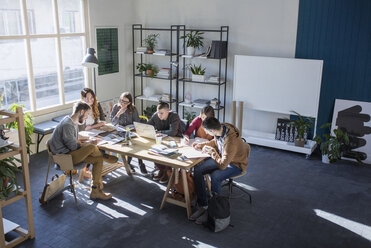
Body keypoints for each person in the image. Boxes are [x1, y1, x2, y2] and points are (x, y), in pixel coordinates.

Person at [49, 101, 117, 200]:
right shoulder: (67, 125)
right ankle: (104, 156)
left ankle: (95, 191)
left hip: (69, 154)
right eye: (87, 114)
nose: (87, 117)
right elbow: (73, 146)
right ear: (81, 112)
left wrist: (88, 140)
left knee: (98, 159)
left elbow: (74, 139)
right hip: (63, 159)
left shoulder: (72, 121)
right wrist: (89, 143)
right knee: (92, 147)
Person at [190, 117, 250, 224]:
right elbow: (215, 141)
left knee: (216, 176)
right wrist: (202, 145)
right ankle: (203, 205)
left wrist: (212, 152)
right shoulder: (220, 128)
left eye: (207, 131)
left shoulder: (231, 141)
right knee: (198, 169)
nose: (207, 133)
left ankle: (213, 211)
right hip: (223, 157)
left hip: (236, 164)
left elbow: (222, 165)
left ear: (212, 130)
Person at [110, 92, 148, 174]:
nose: (123, 103)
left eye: (125, 102)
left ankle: (137, 163)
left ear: (129, 103)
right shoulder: (116, 107)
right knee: (130, 140)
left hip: (131, 131)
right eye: (122, 100)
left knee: (135, 141)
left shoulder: (133, 109)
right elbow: (113, 123)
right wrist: (118, 114)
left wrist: (133, 127)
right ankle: (131, 163)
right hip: (120, 131)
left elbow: (137, 122)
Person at [147, 102, 183, 183]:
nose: (159, 115)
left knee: (166, 151)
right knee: (154, 149)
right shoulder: (156, 115)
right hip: (162, 139)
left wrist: (160, 132)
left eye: (162, 113)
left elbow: (173, 132)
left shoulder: (174, 116)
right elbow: (148, 125)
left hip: (175, 140)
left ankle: (167, 171)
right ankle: (161, 170)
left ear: (168, 111)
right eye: (158, 112)